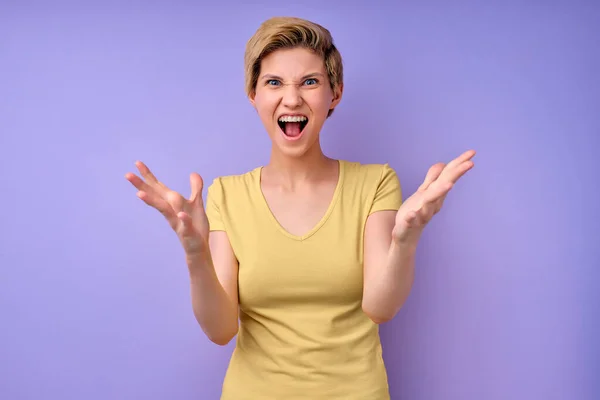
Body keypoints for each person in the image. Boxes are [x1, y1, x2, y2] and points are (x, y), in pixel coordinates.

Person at [125, 16, 475, 400]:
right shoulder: (227, 194)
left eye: (310, 82)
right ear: (253, 95)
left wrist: (406, 238)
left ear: (335, 94)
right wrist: (195, 253)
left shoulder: (375, 183)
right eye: (274, 82)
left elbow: (380, 307)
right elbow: (221, 330)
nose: (292, 99)